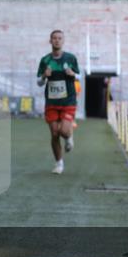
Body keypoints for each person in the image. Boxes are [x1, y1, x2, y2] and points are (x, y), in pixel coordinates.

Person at [37, 30, 80, 175]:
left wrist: (73, 74)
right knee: (54, 134)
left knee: (63, 131)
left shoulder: (71, 58)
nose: (57, 41)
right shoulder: (45, 60)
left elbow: (79, 75)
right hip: (51, 102)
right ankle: (59, 163)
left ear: (63, 41)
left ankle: (69, 136)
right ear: (50, 41)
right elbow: (39, 82)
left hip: (68, 101)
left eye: (59, 38)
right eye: (54, 38)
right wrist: (44, 76)